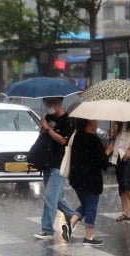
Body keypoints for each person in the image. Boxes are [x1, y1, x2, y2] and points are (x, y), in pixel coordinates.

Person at [61, 119, 113, 246]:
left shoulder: (76, 136)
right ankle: (89, 238)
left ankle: (70, 224)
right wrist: (108, 151)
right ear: (89, 122)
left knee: (85, 204)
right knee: (91, 207)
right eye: (96, 120)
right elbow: (103, 163)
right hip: (91, 180)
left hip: (77, 179)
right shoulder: (93, 140)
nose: (97, 122)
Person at [34, 97, 74, 240]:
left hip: (60, 164)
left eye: (49, 103)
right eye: (45, 103)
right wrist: (42, 128)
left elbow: (64, 140)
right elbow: (42, 136)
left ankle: (47, 230)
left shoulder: (68, 120)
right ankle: (75, 216)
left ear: (57, 103)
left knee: (51, 198)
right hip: (47, 163)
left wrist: (48, 129)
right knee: (58, 198)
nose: (47, 106)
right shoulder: (48, 117)